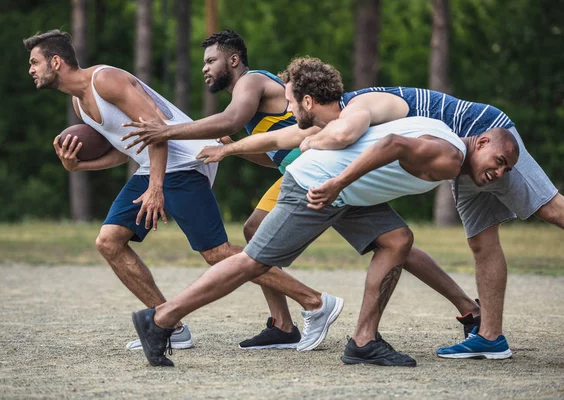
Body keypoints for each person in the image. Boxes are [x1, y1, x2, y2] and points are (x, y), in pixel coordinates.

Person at [122, 31, 484, 348]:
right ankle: (283, 324)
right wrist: (231, 149)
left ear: (233, 60)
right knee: (391, 240)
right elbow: (273, 149)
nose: (205, 67)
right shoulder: (248, 110)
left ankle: (297, 313)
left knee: (382, 241)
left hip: (323, 170)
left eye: (211, 60)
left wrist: (167, 131)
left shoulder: (249, 83)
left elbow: (253, 126)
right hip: (305, 169)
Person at [202, 57, 560, 359]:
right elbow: (286, 138)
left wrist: (316, 154)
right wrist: (229, 149)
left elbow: (339, 136)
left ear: (310, 101)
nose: (289, 109)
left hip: (483, 134)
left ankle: (471, 321)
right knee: (475, 240)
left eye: (291, 103)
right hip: (458, 154)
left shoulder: (355, 110)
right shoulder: (331, 118)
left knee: (550, 210)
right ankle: (489, 335)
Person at [23, 30, 340, 354]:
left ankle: (315, 302)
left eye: (35, 62)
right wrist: (79, 168)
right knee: (109, 242)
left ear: (56, 61)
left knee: (216, 253)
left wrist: (156, 188)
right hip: (154, 167)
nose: (31, 69)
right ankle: (171, 327)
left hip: (184, 162)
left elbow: (156, 128)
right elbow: (127, 147)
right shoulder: (80, 105)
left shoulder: (105, 80)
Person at [131, 111, 519, 367]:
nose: (499, 173)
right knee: (254, 262)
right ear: (481, 142)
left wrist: (342, 184)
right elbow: (392, 145)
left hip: (346, 190)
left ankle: (364, 341)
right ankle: (161, 319)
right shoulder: (450, 156)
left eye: (506, 169)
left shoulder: (442, 131)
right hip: (320, 185)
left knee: (397, 239)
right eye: (498, 161)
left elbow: (380, 137)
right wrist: (337, 183)